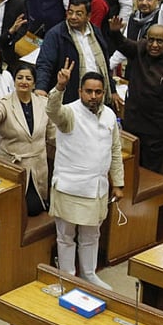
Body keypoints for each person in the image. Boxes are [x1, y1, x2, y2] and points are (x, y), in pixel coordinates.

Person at [46, 62, 124, 290]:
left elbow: (115, 150)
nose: (93, 96)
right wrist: (59, 87)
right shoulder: (69, 112)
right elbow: (52, 111)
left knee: (92, 234)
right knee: (66, 236)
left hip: (97, 187)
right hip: (69, 187)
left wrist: (118, 183)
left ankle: (89, 273)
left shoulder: (109, 115)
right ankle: (67, 276)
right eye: (88, 91)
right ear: (80, 91)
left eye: (98, 92)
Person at [108, 18, 163, 172]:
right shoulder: (140, 49)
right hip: (134, 121)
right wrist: (115, 31)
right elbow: (122, 43)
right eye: (151, 40)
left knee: (149, 169)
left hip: (158, 128)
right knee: (128, 164)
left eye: (159, 41)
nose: (154, 45)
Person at [0, 63, 55, 214]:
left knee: (35, 209)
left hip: (38, 166)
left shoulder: (44, 103)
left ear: (34, 83)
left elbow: (53, 135)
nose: (23, 81)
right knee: (12, 210)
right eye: (20, 78)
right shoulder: (4, 103)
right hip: (13, 166)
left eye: (28, 78)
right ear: (14, 81)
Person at [35, 0, 114, 107]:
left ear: (88, 16)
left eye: (79, 13)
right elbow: (45, 64)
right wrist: (41, 88)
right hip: (70, 97)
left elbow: (105, 64)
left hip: (97, 96)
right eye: (70, 12)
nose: (73, 17)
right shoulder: (56, 34)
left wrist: (113, 90)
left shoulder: (95, 32)